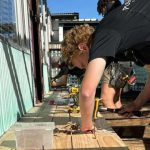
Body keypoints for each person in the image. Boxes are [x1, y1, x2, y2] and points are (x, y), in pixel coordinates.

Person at [61, 0, 150, 132]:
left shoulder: (103, 35)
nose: (85, 69)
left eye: (81, 64)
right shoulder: (124, 37)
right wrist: (136, 104)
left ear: (83, 47)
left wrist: (87, 126)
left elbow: (86, 92)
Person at [97, 0, 124, 110]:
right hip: (125, 63)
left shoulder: (109, 20)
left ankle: (114, 127)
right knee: (116, 100)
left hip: (114, 64)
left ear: (103, 7)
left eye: (102, 12)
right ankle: (124, 126)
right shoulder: (123, 16)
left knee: (106, 99)